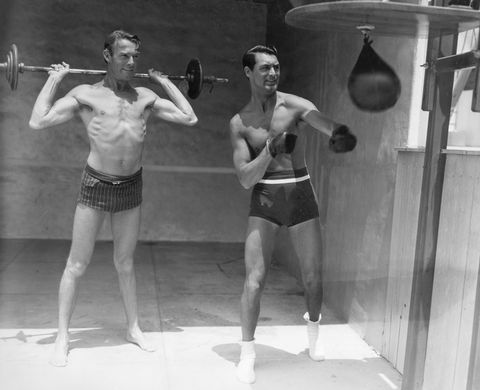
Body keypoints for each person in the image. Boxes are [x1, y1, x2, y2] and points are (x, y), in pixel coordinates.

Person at [29, 30, 198, 367]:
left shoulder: (145, 97)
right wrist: (54, 79)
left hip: (131, 186)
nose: (132, 62)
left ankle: (133, 328)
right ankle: (63, 336)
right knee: (77, 264)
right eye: (124, 56)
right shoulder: (86, 94)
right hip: (95, 184)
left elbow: (189, 117)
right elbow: (38, 121)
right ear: (107, 56)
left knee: (125, 262)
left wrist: (165, 82)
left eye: (135, 55)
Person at [229, 45, 356, 384]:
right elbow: (245, 179)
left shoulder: (296, 106)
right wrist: (270, 149)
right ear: (248, 72)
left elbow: (328, 127)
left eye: (276, 66)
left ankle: (313, 336)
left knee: (314, 277)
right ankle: (247, 354)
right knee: (254, 281)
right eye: (264, 68)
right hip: (265, 198)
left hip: (300, 194)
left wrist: (339, 134)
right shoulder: (240, 123)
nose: (272, 73)